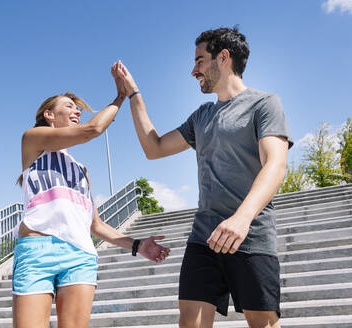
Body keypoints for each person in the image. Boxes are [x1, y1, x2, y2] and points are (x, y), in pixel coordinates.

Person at [115, 27, 293, 328]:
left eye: (199, 60)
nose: (193, 70)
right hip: (204, 239)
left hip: (251, 236)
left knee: (264, 324)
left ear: (223, 58)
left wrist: (241, 218)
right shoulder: (202, 115)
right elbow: (154, 147)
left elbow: (275, 165)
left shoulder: (264, 104)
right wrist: (134, 94)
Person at [12, 61, 171, 328]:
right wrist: (121, 97)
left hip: (79, 254)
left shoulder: (81, 170)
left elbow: (95, 225)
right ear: (49, 115)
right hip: (38, 250)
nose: (76, 111)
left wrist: (137, 245)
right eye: (69, 106)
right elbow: (92, 130)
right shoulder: (33, 140)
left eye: (78, 108)